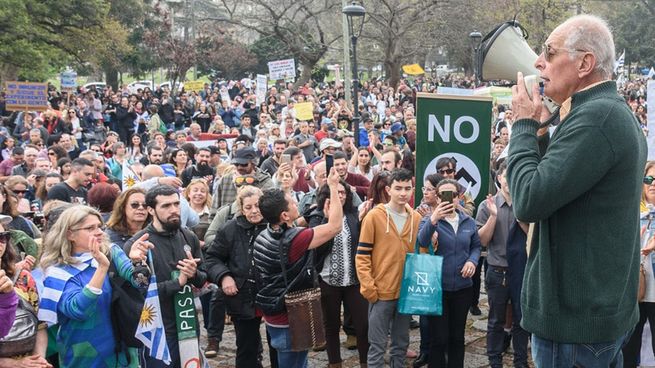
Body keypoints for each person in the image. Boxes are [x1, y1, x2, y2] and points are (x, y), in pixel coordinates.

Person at [507, 14, 647, 366]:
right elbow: (555, 188)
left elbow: (528, 200)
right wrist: (539, 134)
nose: (538, 62)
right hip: (593, 318)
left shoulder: (596, 118)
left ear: (585, 63)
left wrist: (523, 126)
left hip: (574, 326)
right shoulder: (604, 112)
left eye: (549, 53)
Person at [253, 167, 343, 368]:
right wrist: (334, 187)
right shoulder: (294, 240)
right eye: (293, 203)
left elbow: (294, 223)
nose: (296, 203)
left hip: (273, 313)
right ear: (284, 215)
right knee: (294, 363)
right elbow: (335, 226)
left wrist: (289, 187)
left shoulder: (264, 234)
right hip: (289, 317)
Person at [38, 205, 140, 367]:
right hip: (84, 354)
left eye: (100, 226)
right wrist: (101, 269)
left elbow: (139, 282)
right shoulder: (57, 271)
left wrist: (138, 262)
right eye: (90, 228)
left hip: (122, 350)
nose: (99, 232)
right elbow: (78, 310)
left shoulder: (111, 251)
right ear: (70, 234)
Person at [124, 185, 207, 368]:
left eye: (176, 204)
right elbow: (138, 293)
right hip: (157, 329)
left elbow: (203, 278)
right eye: (166, 206)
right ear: (150, 210)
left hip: (186, 322)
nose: (174, 210)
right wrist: (177, 283)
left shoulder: (188, 236)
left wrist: (193, 274)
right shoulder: (138, 244)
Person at [356, 168, 422, 368]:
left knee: (401, 344)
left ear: (412, 190)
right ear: (388, 190)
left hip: (405, 293)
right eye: (398, 188)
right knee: (377, 345)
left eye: (407, 188)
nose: (403, 193)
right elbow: (362, 255)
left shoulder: (416, 218)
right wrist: (369, 288)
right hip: (380, 292)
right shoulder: (374, 217)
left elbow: (421, 254)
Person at [416, 178, 481, 368]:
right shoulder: (430, 219)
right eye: (443, 194)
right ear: (437, 196)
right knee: (439, 338)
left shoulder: (468, 221)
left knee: (457, 337)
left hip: (462, 287)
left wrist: (472, 261)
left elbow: (476, 246)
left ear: (459, 197)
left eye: (452, 194)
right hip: (438, 288)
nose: (448, 198)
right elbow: (422, 240)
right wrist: (434, 219)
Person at [205, 186, 272, 368]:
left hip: (272, 294)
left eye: (257, 205)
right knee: (246, 347)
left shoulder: (274, 224)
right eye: (248, 207)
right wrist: (224, 276)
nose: (254, 211)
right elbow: (212, 257)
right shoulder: (230, 229)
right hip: (243, 294)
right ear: (242, 209)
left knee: (277, 345)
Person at [307, 181, 369, 368]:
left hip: (353, 280)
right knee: (331, 325)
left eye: (343, 192)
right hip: (328, 280)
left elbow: (361, 244)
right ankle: (335, 363)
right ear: (326, 196)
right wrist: (327, 220)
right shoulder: (317, 217)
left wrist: (362, 219)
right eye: (336, 192)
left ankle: (366, 362)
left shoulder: (352, 214)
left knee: (363, 325)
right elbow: (315, 251)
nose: (340, 196)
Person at [475, 162, 529, 368]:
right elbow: (482, 241)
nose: (509, 180)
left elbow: (533, 238)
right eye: (506, 175)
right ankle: (494, 360)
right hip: (497, 270)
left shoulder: (526, 203)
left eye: (513, 175)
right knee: (496, 320)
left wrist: (522, 217)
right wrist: (493, 216)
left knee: (521, 320)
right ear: (499, 178)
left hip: (521, 270)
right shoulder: (486, 205)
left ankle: (521, 361)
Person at [0, 214, 51, 368]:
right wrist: (13, 364)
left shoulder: (22, 277)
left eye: (2, 236)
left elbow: (39, 324)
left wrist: (38, 360)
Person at [623, 161, 655, 367]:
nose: (653, 184)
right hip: (634, 290)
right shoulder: (631, 212)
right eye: (648, 179)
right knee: (628, 347)